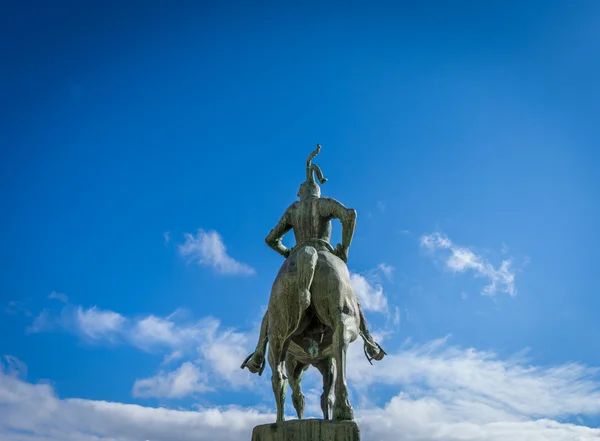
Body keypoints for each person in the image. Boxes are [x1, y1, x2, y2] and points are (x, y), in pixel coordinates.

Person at [241, 145, 385, 375]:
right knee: (352, 303)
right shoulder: (324, 204)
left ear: (301, 192)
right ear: (316, 192)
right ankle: (370, 341)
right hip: (326, 253)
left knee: (272, 311)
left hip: (298, 256)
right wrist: (344, 249)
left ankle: (259, 351)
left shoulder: (293, 209)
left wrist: (289, 253)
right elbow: (350, 216)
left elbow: (270, 239)